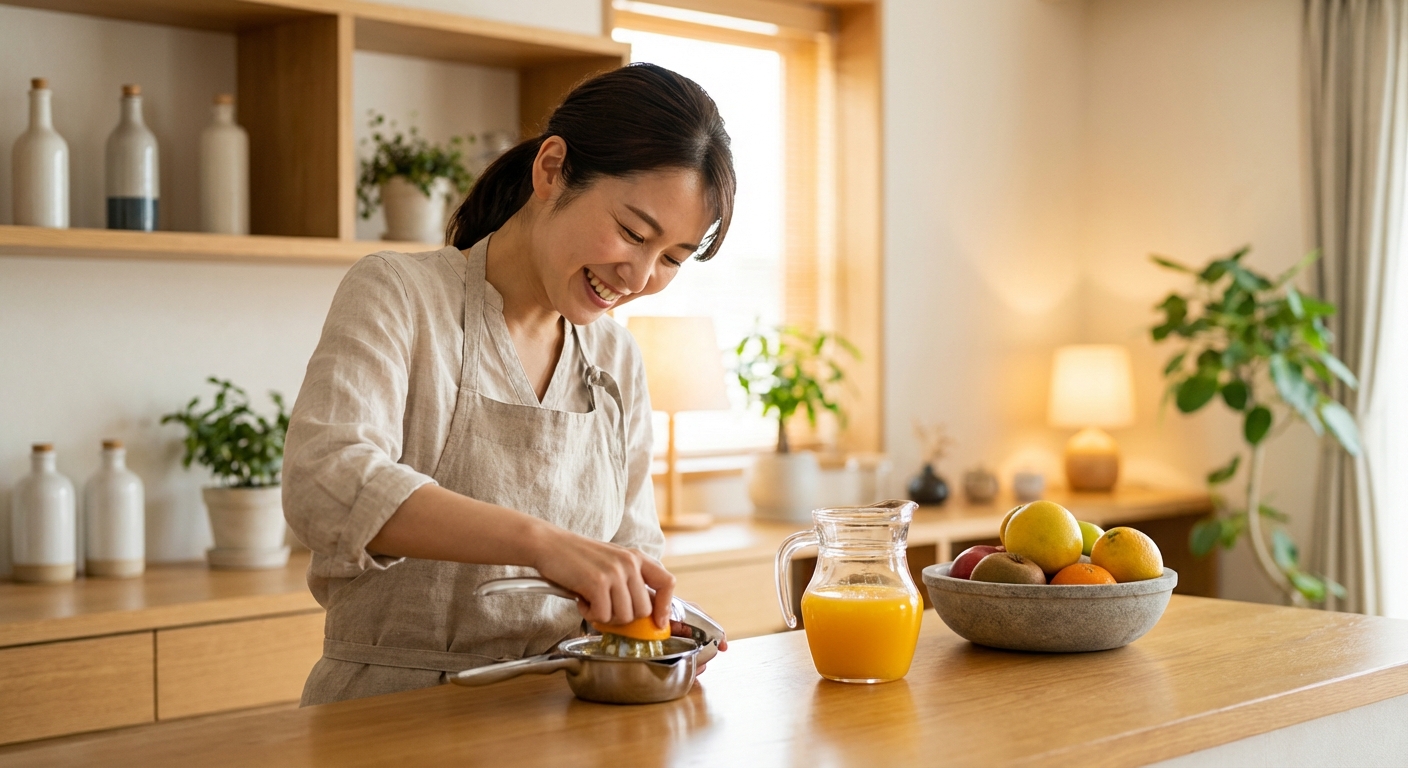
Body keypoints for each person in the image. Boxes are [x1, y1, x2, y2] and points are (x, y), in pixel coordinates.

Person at [283, 63, 736, 705]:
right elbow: (325, 483)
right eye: (634, 233)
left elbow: (630, 553)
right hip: (390, 714)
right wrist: (542, 545)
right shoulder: (398, 294)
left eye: (670, 259)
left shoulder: (615, 359)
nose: (638, 276)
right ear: (552, 170)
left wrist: (658, 619)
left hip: (565, 717)